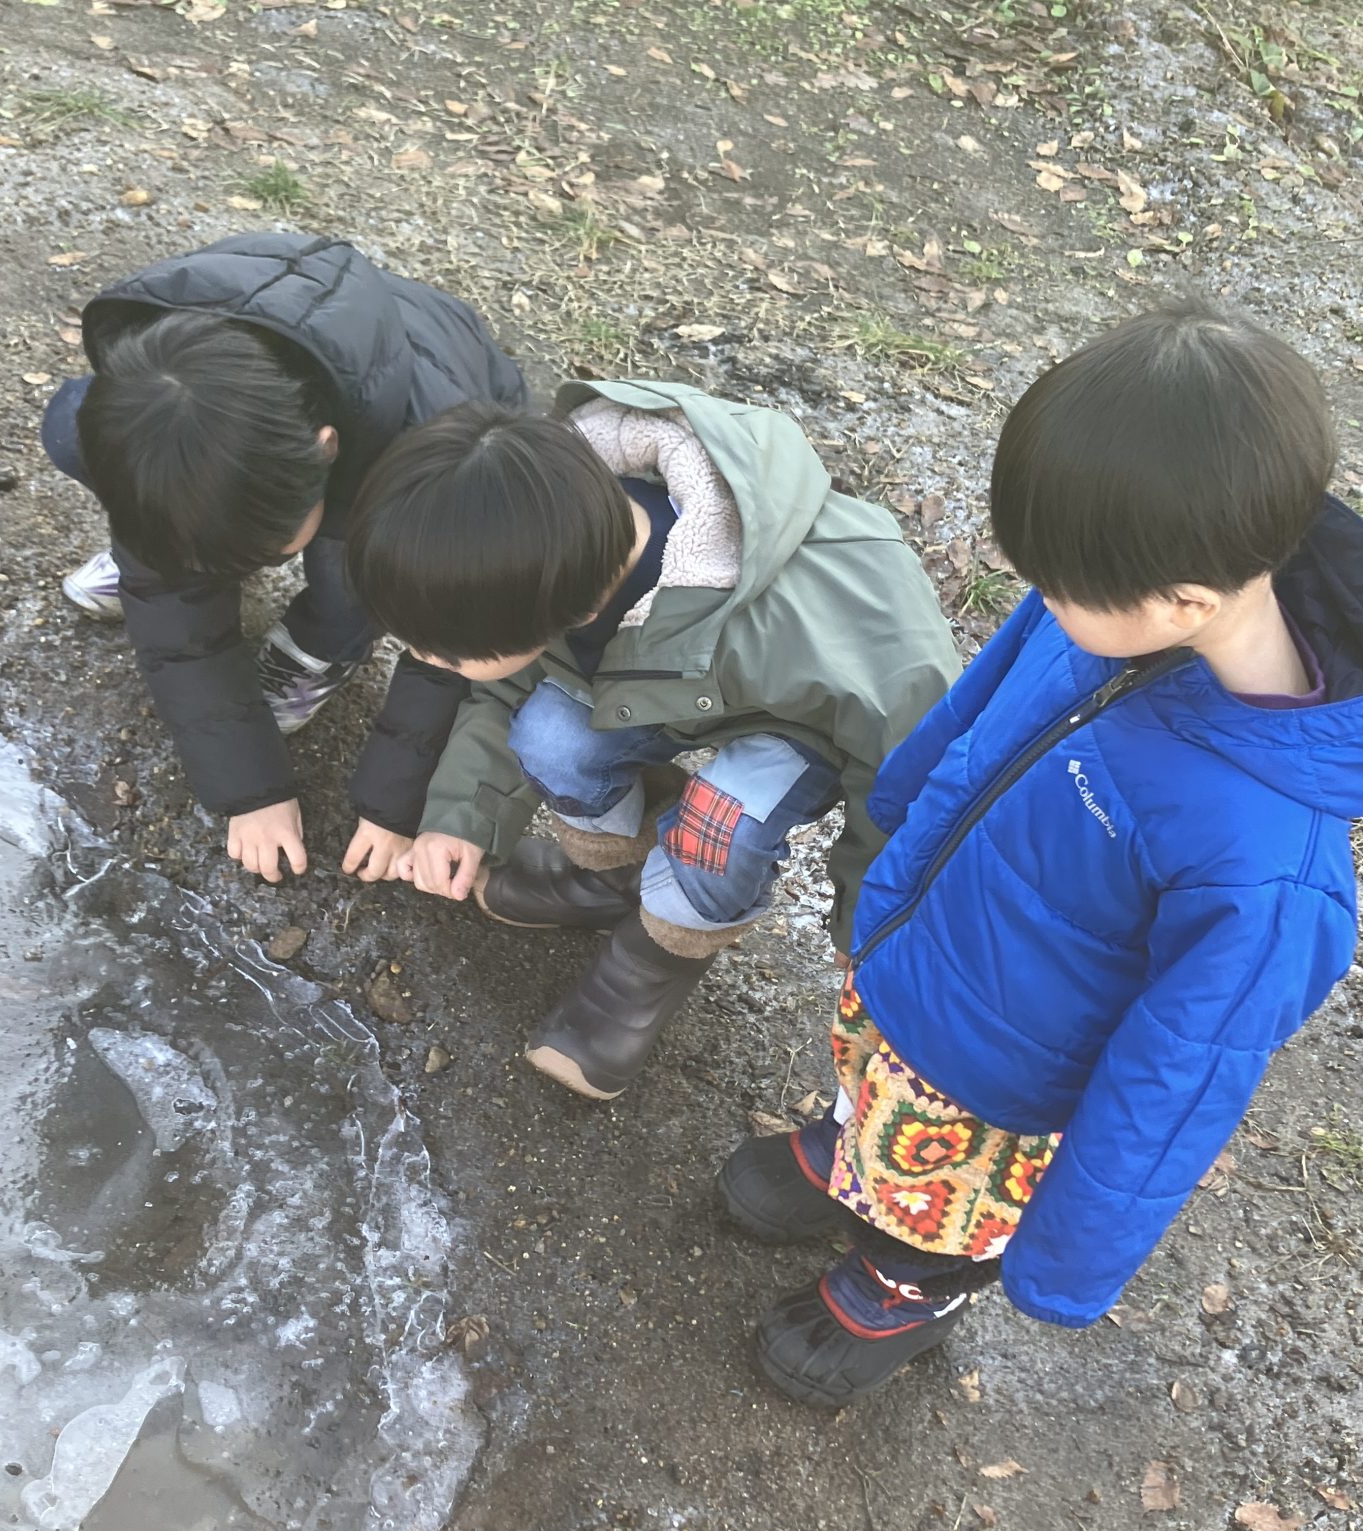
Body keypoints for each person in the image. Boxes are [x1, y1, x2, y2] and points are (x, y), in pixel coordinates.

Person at [714, 299, 1363, 1407]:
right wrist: (895, 826)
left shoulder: (1267, 864)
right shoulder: (1114, 588)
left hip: (1000, 1082)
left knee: (937, 1202)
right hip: (922, 952)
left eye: (1061, 587)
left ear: (1185, 602)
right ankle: (854, 1151)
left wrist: (1066, 1264)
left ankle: (907, 1283)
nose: (1044, 599)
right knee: (870, 1081)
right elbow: (980, 705)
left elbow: (1180, 1077)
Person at [346, 378, 963, 1098]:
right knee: (550, 735)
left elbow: (905, 772)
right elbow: (508, 686)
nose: (426, 661)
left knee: (720, 826)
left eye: (448, 653)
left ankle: (656, 957)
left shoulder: (839, 629)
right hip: (668, 679)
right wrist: (463, 817)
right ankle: (610, 878)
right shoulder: (543, 536)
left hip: (802, 718)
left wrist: (867, 928)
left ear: (568, 610)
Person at [42, 233, 526, 883]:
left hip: (416, 447)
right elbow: (176, 631)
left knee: (357, 575)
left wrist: (393, 806)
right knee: (71, 428)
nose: (252, 568)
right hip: (308, 403)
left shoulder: (434, 470)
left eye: (257, 552)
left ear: (324, 451)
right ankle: (159, 542)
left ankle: (323, 643)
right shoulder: (154, 404)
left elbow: (451, 638)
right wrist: (251, 788)